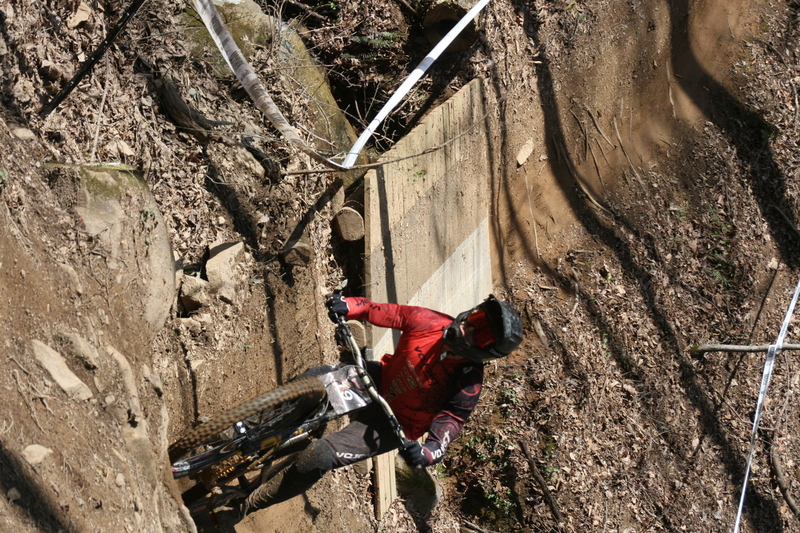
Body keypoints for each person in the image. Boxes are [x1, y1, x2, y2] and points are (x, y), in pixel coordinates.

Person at [242, 293, 523, 514]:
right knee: (312, 382)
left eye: (481, 332)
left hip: (390, 426)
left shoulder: (467, 383)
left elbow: (451, 422)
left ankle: (246, 506)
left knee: (320, 456)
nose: (469, 326)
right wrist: (348, 305)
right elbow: (389, 312)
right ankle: (246, 426)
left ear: (487, 351)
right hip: (376, 381)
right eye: (477, 317)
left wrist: (427, 453)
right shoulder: (431, 322)